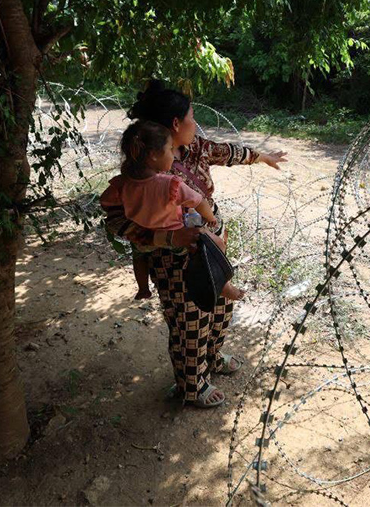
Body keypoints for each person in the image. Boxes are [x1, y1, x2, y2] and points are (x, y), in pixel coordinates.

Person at [102, 81, 287, 408]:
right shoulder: (144, 167)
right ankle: (192, 385)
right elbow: (116, 220)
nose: (195, 123)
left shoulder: (195, 148)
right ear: (175, 124)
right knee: (189, 322)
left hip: (208, 245)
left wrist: (263, 157)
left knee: (219, 308)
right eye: (191, 116)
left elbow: (228, 151)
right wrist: (167, 237)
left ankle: (211, 359)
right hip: (172, 258)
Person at [99, 120, 244, 302]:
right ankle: (223, 285)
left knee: (139, 259)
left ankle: (143, 288)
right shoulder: (170, 184)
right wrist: (210, 217)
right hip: (175, 235)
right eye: (169, 150)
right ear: (153, 155)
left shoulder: (121, 183)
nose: (172, 155)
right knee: (217, 244)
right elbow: (199, 201)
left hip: (144, 240)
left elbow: (105, 202)